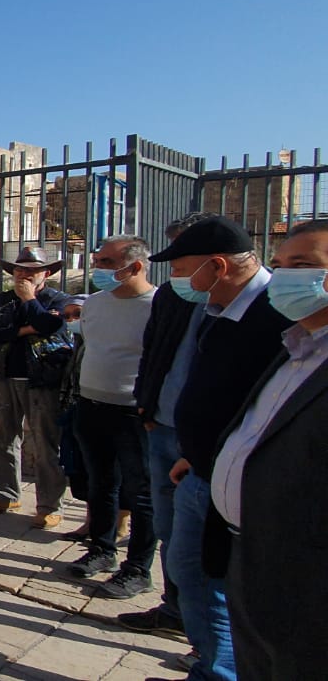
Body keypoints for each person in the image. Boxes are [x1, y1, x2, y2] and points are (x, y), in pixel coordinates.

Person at [151, 215, 289, 681]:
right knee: (190, 570)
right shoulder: (222, 309)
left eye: (180, 267)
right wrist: (197, 451)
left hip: (242, 483)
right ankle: (207, 662)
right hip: (203, 468)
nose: (175, 280)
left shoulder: (278, 317)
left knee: (221, 584)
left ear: (218, 265)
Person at [209, 219, 328, 678]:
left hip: (306, 576)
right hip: (252, 554)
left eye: (303, 265)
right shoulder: (296, 345)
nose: (284, 278)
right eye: (279, 266)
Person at [117, 211, 216, 646]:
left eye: (181, 256)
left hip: (206, 442)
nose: (173, 267)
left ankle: (209, 643)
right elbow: (154, 351)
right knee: (171, 529)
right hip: (161, 423)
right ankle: (175, 610)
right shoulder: (174, 297)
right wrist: (147, 403)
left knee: (202, 549)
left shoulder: (250, 309)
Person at [67, 236, 158, 599]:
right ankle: (101, 549)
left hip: (133, 412)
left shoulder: (159, 305)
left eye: (106, 263)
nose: (98, 269)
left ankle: (137, 568)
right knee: (100, 483)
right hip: (90, 404)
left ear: (134, 266)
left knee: (141, 491)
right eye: (97, 261)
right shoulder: (96, 304)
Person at [0, 246, 71, 529]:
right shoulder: (2, 301)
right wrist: (22, 331)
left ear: (47, 273)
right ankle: (6, 494)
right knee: (4, 438)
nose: (24, 275)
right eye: (20, 270)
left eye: (31, 270)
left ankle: (49, 506)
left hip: (41, 380)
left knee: (45, 443)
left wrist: (29, 300)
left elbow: (51, 326)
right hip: (3, 376)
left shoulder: (57, 299)